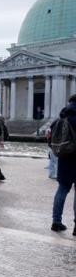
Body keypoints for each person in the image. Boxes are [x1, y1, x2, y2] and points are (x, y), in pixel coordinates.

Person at [50, 95, 76, 234]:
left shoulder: (59, 119)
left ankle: (56, 221)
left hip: (64, 159)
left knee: (62, 189)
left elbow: (51, 142)